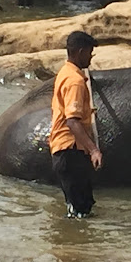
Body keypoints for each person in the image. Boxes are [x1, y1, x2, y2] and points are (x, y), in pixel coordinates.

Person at [49, 30, 102, 218]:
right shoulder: (75, 81)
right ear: (80, 52)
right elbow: (72, 121)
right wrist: (94, 150)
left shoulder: (64, 73)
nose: (90, 58)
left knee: (77, 209)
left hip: (63, 150)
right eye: (89, 53)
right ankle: (74, 245)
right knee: (80, 213)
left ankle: (72, 245)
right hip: (70, 151)